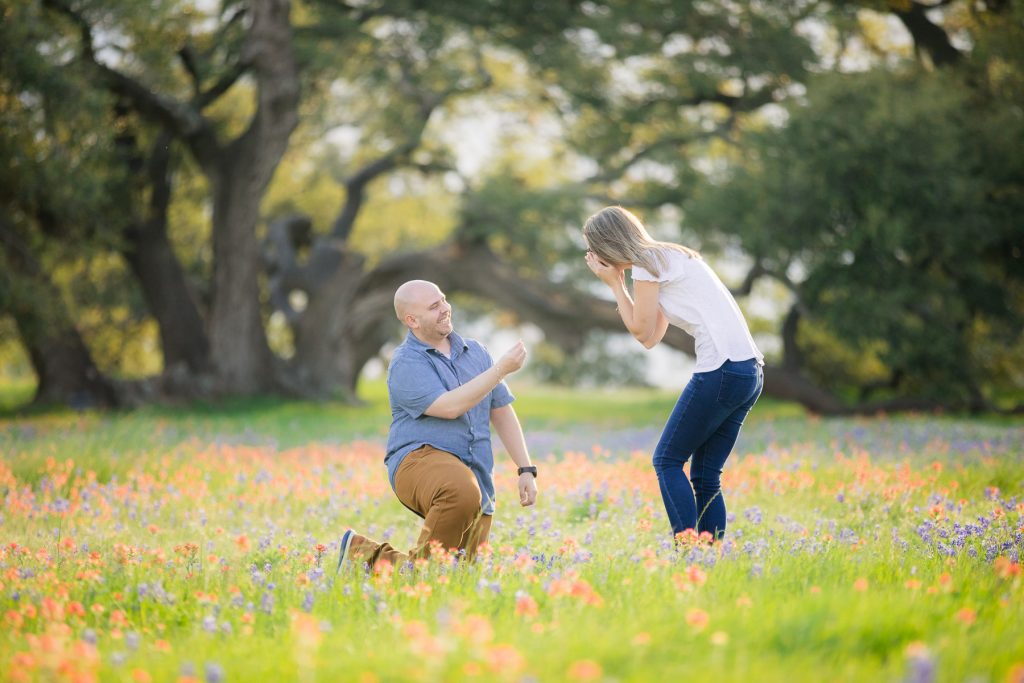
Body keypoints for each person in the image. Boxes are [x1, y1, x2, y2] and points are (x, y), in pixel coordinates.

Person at [582, 206, 763, 540]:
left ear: (608, 245)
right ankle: (709, 558)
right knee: (706, 475)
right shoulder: (668, 257)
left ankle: (689, 549)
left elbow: (638, 330)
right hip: (749, 372)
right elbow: (651, 337)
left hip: (722, 368)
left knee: (666, 460)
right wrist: (620, 283)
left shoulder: (646, 265)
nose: (594, 258)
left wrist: (614, 285)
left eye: (594, 250)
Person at [336, 279, 538, 572]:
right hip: (419, 461)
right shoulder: (406, 363)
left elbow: (501, 410)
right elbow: (449, 406)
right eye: (434, 306)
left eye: (443, 300)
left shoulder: (477, 352)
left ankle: (363, 555)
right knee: (460, 491)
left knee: (453, 573)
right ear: (412, 321)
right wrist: (500, 370)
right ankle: (394, 567)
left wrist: (525, 469)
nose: (445, 309)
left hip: (477, 478)